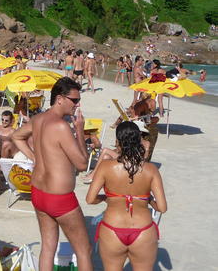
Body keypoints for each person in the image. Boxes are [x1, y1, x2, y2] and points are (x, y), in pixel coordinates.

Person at [12, 77, 92, 271]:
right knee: (84, 251)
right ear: (60, 99)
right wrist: (80, 130)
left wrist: (34, 158)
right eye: (74, 100)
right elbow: (82, 164)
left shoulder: (38, 119)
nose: (77, 104)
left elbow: (16, 136)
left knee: (48, 247)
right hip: (60, 198)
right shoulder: (61, 126)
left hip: (39, 193)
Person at [86, 121, 167, 271]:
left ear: (117, 141)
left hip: (112, 228)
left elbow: (90, 199)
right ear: (138, 141)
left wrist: (106, 198)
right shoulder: (151, 169)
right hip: (143, 229)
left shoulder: (105, 166)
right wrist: (148, 200)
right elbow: (162, 207)